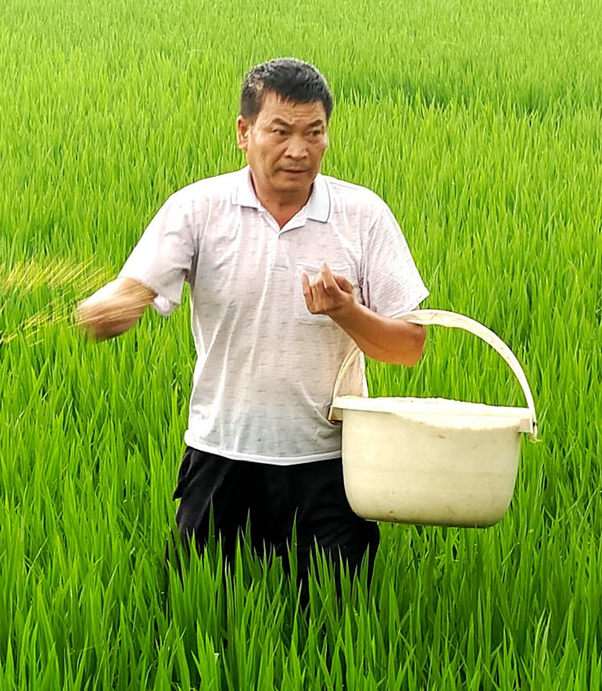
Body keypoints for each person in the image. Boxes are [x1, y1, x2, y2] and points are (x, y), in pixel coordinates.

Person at [75, 58, 429, 590]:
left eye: (315, 132)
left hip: (330, 466)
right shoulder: (198, 209)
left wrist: (345, 313)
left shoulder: (363, 215)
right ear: (244, 132)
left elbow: (408, 348)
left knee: (334, 629)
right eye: (280, 131)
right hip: (221, 456)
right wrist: (110, 308)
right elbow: (135, 287)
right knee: (203, 620)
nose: (298, 150)